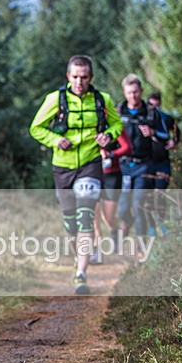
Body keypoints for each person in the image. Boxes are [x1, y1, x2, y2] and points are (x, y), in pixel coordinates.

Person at [30, 55, 123, 294]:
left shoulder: (103, 100)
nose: (79, 82)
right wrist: (55, 139)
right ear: (68, 77)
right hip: (62, 166)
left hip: (90, 164)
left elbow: (117, 125)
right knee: (70, 223)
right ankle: (77, 258)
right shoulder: (55, 99)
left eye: (83, 77)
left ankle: (81, 273)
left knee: (85, 216)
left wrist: (108, 136)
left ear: (90, 77)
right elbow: (36, 128)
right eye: (75, 77)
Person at [115, 74, 162, 254]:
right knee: (123, 209)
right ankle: (127, 222)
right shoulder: (118, 112)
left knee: (139, 204)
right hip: (124, 166)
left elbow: (166, 137)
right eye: (129, 93)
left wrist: (152, 133)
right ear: (124, 93)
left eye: (135, 92)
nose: (133, 96)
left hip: (145, 165)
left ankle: (142, 247)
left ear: (141, 91)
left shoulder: (151, 112)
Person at [90, 129, 132, 264]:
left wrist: (110, 154)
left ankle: (115, 231)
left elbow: (127, 147)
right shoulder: (87, 124)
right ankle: (97, 251)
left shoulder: (114, 126)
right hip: (92, 174)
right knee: (94, 214)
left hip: (112, 175)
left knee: (108, 216)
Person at [147, 92, 181, 236]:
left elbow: (176, 130)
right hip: (147, 162)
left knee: (160, 193)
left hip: (162, 162)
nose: (154, 108)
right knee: (146, 196)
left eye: (156, 105)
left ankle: (163, 224)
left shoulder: (166, 118)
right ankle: (151, 227)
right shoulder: (144, 119)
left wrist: (175, 141)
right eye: (151, 105)